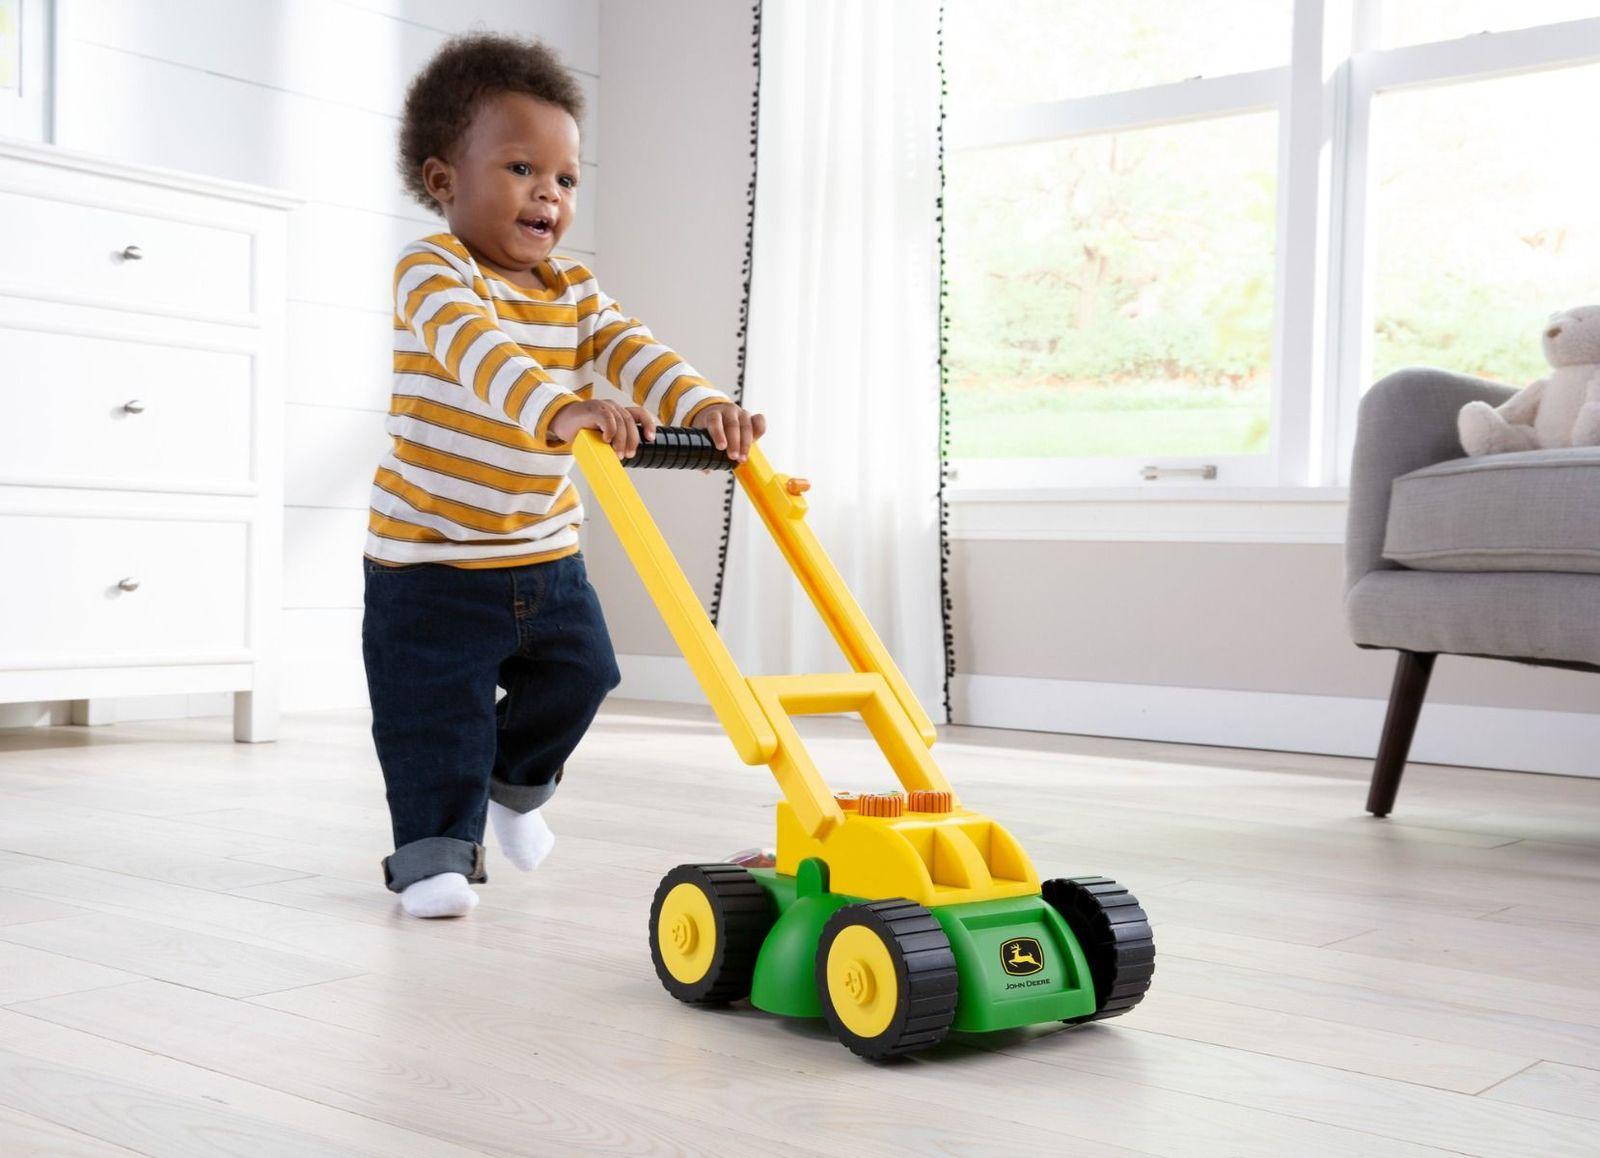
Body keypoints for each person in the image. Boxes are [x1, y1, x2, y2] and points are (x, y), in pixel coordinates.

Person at [364, 32, 765, 918]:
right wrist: (562, 410)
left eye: (566, 178)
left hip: (544, 552)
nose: (549, 193)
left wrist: (704, 406)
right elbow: (481, 355)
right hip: (429, 562)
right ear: (443, 180)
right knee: (434, 715)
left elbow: (635, 349)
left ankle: (516, 784)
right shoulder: (432, 272)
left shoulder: (574, 289)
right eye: (521, 169)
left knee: (585, 672)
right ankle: (435, 858)